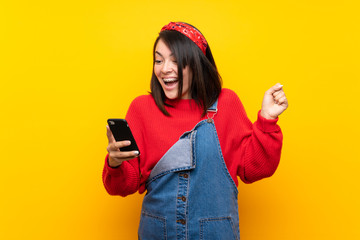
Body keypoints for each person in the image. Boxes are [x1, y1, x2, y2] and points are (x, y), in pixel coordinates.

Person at [103, 22, 288, 239]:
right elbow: (124, 186)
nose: (164, 69)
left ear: (197, 64)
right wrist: (114, 162)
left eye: (176, 60)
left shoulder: (227, 104)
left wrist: (267, 119)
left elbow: (255, 169)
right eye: (158, 60)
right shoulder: (141, 109)